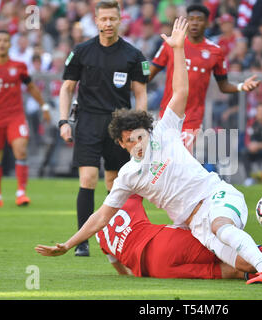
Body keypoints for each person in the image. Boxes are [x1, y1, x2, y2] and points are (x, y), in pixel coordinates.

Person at [34, 17, 262, 285]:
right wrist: (69, 243)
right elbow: (102, 216)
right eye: (129, 141)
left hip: (216, 198)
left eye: (139, 136)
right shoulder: (128, 175)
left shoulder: (165, 132)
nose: (137, 144)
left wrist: (177, 49)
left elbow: (181, 91)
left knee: (223, 228)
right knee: (242, 265)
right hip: (194, 224)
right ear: (121, 144)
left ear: (146, 130)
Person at [36, 194, 262, 282]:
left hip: (155, 269)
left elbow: (121, 269)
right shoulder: (127, 200)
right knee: (229, 255)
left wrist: (68, 245)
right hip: (163, 241)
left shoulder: (103, 238)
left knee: (229, 271)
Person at [58, 0, 149, 257]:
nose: (108, 24)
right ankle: (82, 242)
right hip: (87, 122)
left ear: (120, 20)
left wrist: (139, 126)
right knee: (87, 179)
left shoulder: (133, 55)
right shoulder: (82, 51)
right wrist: (64, 121)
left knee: (114, 182)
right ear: (96, 21)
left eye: (112, 19)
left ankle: (113, 242)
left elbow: (140, 93)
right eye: (103, 19)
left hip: (119, 126)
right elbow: (67, 88)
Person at [149, 4, 260, 150]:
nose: (195, 22)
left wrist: (241, 86)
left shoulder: (215, 51)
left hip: (192, 118)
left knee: (181, 157)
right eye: (191, 19)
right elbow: (148, 74)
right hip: (167, 114)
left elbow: (223, 85)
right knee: (163, 160)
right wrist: (133, 70)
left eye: (199, 19)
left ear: (208, 23)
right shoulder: (171, 45)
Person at [0, 30, 51, 208]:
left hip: (16, 116)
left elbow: (31, 87)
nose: (2, 43)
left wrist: (44, 106)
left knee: (20, 150)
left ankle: (21, 193)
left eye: (6, 40)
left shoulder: (19, 66)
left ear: (9, 44)